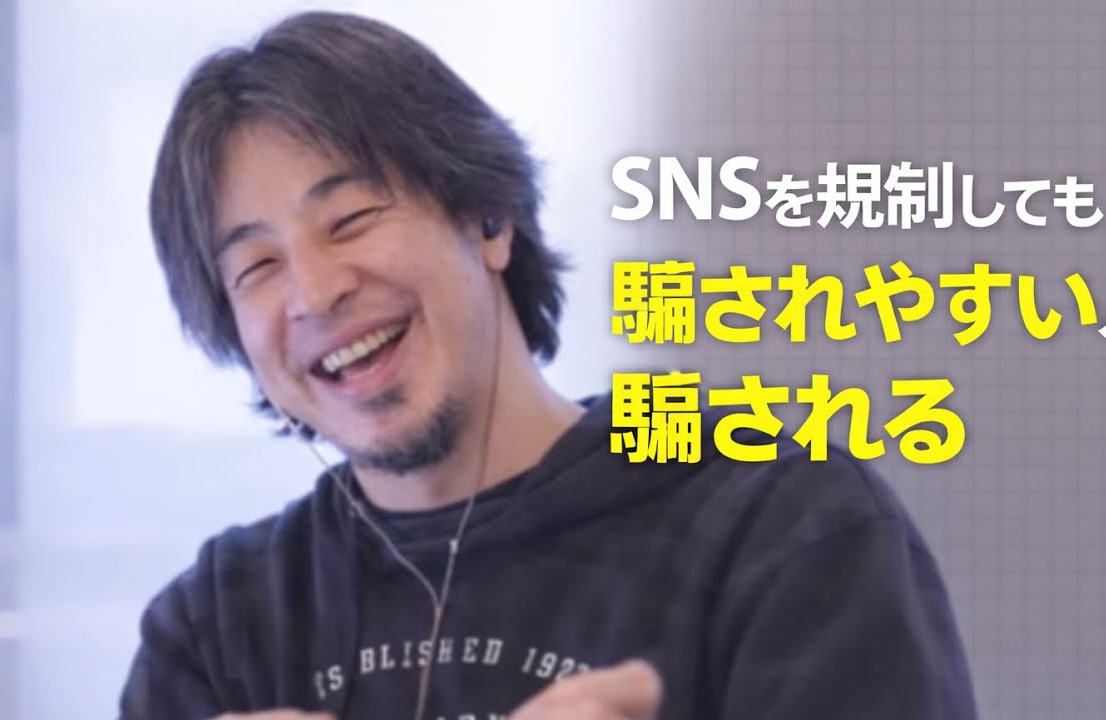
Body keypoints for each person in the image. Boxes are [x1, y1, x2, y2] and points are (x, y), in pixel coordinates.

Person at [120, 10, 977, 720]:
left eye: (351, 220)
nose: (314, 292)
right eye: (256, 268)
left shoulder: (780, 520)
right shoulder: (219, 629)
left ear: (489, 221)